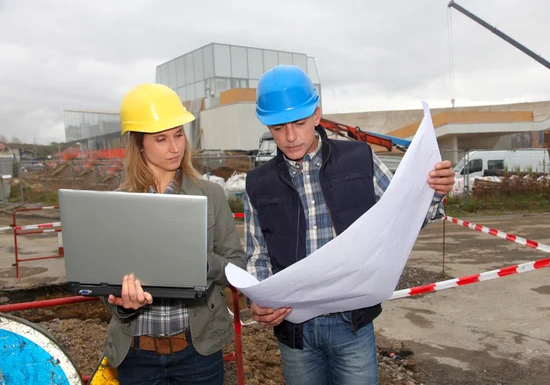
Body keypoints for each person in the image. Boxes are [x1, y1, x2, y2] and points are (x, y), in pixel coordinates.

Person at [244, 65, 455, 384]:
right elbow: (258, 256)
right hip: (294, 331)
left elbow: (405, 217)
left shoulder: (359, 158)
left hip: (352, 326)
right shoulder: (258, 183)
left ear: (317, 115)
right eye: (277, 128)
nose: (289, 137)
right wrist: (259, 298)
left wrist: (434, 192)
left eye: (299, 123)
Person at [101, 83, 246, 385]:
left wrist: (201, 263)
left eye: (179, 134)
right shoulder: (117, 203)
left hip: (197, 354)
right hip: (137, 356)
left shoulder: (211, 195)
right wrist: (122, 302)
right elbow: (104, 284)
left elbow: (236, 266)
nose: (175, 147)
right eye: (161, 139)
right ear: (139, 144)